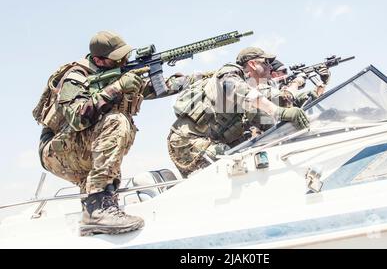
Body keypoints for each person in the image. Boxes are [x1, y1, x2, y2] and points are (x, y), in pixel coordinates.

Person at [33, 31, 185, 236]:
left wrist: (199, 79)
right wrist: (117, 87)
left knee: (108, 155)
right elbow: (78, 119)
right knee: (116, 122)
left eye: (125, 56)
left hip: (76, 146)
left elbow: (157, 88)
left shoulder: (116, 71)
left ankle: (96, 216)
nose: (124, 61)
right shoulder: (75, 77)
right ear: (98, 60)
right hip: (55, 151)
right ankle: (98, 210)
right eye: (117, 59)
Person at [167, 47, 310, 178]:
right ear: (253, 64)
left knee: (251, 151)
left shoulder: (251, 92)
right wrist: (278, 111)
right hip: (187, 142)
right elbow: (237, 89)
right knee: (233, 163)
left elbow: (266, 122)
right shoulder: (230, 72)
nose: (270, 67)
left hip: (207, 142)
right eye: (266, 62)